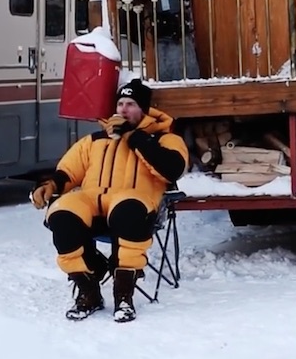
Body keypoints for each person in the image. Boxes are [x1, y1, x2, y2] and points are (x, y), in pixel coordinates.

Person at [30, 78, 188, 322]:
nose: (123, 109)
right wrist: (49, 185)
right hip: (94, 207)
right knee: (62, 213)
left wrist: (133, 137)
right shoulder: (94, 141)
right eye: (120, 103)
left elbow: (172, 169)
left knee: (128, 208)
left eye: (131, 104)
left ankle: (124, 295)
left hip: (136, 210)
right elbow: (68, 171)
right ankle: (89, 290)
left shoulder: (164, 139)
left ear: (144, 110)